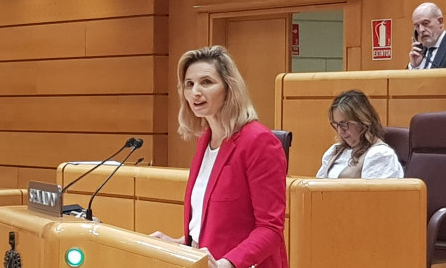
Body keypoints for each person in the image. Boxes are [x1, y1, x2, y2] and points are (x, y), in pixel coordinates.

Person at [150, 45, 288, 268]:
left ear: (229, 88)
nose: (195, 92)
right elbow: (213, 227)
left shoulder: (258, 141)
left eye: (206, 82)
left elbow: (270, 229)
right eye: (189, 84)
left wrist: (226, 264)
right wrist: (178, 244)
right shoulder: (205, 140)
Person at [316, 90, 403, 179]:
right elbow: (316, 188)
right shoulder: (334, 151)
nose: (340, 131)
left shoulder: (380, 154)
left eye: (344, 124)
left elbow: (374, 192)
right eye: (336, 124)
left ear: (363, 122)